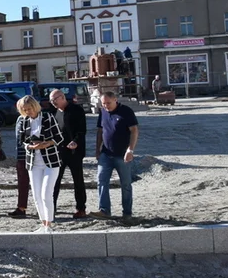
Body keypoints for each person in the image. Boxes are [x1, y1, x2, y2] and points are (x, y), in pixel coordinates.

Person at [14, 96, 64, 233]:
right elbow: (22, 141)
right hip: (33, 162)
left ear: (35, 106)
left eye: (29, 109)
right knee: (36, 196)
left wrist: (47, 143)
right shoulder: (24, 121)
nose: (27, 112)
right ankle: (43, 224)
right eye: (24, 110)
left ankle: (49, 224)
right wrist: (30, 146)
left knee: (46, 193)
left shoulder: (48, 117)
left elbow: (59, 137)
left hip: (51, 161)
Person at [90, 91, 139, 219]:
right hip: (106, 154)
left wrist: (130, 150)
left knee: (126, 184)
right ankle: (104, 210)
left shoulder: (126, 111)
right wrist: (97, 150)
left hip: (122, 154)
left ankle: (127, 213)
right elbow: (100, 131)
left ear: (115, 100)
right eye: (103, 103)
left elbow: (134, 131)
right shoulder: (103, 112)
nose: (106, 106)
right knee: (101, 181)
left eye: (108, 103)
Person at [48, 89, 87, 218]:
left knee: (78, 180)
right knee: (55, 180)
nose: (53, 103)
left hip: (75, 151)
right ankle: (51, 207)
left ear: (62, 97)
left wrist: (76, 142)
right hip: (59, 151)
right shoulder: (54, 112)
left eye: (54, 100)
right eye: (51, 101)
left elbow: (82, 130)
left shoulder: (76, 110)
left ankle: (81, 208)